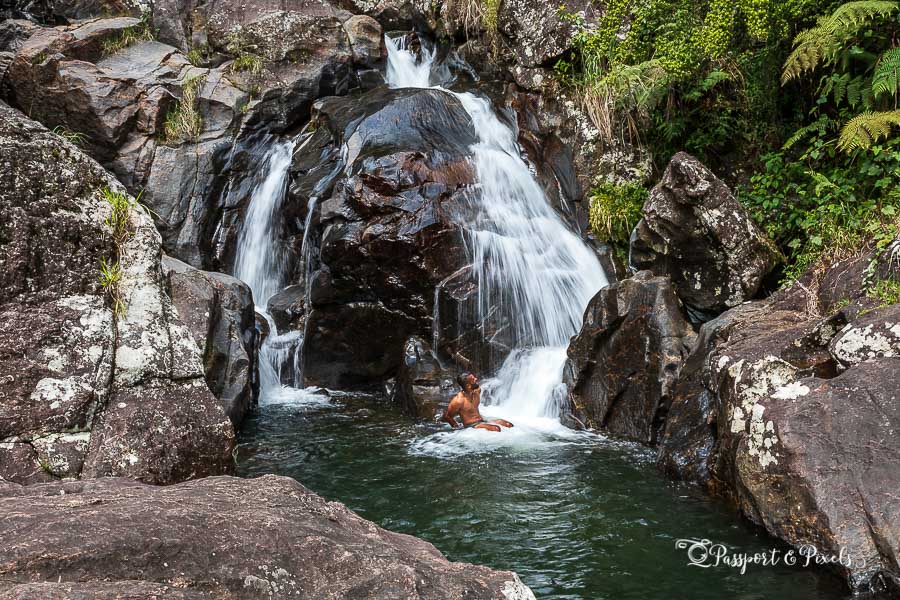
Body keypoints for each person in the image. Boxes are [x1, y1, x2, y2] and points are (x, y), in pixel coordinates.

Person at [442, 372, 514, 432]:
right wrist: (457, 428)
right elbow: (447, 416)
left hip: (482, 421)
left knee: (509, 425)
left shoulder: (477, 391)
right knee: (496, 429)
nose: (476, 379)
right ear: (468, 386)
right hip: (471, 426)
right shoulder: (459, 401)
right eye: (473, 379)